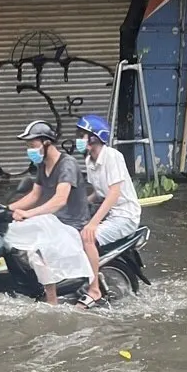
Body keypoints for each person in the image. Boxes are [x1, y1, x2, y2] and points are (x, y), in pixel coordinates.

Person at [5, 120, 93, 306]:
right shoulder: (42, 165)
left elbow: (60, 200)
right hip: (55, 221)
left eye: (32, 145)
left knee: (37, 249)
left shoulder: (66, 164)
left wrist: (29, 214)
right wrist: (7, 209)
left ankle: (51, 301)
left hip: (72, 223)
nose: (29, 149)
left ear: (46, 142)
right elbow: (35, 195)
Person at [75, 114, 142, 308]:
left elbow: (113, 193)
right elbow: (98, 193)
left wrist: (93, 223)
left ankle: (94, 290)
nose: (79, 138)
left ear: (95, 137)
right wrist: (81, 205)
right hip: (112, 214)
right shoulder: (90, 160)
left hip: (125, 216)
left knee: (88, 236)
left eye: (83, 135)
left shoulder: (112, 156)